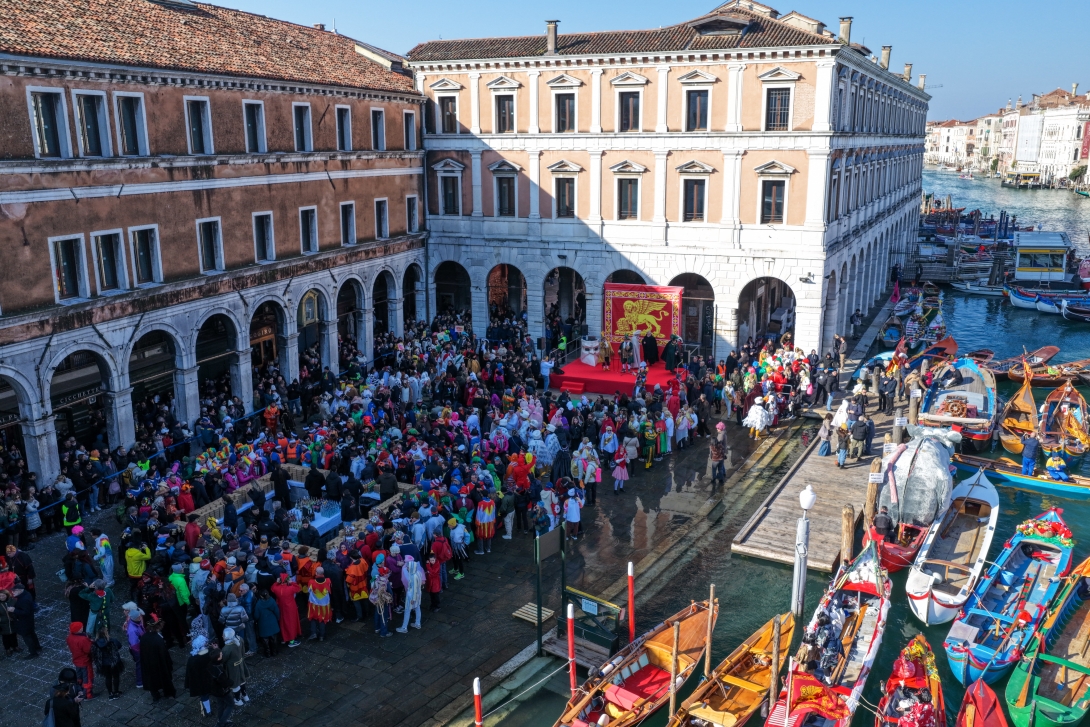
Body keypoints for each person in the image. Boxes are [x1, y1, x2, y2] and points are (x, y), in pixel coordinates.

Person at [139, 616, 176, 701]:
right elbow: (164, 654)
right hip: (159, 664)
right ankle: (168, 693)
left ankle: (155, 695)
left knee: (151, 680)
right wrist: (168, 664)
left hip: (148, 663)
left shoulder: (144, 637)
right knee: (164, 678)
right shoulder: (158, 639)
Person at [91, 627, 125, 700]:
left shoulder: (95, 643)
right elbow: (119, 646)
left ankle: (110, 693)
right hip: (114, 662)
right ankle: (116, 692)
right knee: (116, 676)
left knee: (108, 677)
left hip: (104, 664)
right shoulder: (112, 641)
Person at [11, 582, 41, 658]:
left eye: (14, 591)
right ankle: (37, 647)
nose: (12, 592)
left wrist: (14, 610)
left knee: (27, 637)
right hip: (29, 620)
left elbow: (25, 612)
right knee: (32, 633)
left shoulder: (23, 600)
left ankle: (33, 653)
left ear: (20, 590)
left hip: (24, 622)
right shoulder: (26, 594)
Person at [221, 627, 249, 706]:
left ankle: (237, 699)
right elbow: (243, 652)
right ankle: (245, 695)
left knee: (235, 683)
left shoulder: (226, 648)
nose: (222, 636)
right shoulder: (240, 639)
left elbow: (223, 660)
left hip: (232, 668)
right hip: (240, 664)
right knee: (242, 680)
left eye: (223, 635)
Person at [66, 621, 94, 699]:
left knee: (79, 677)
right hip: (85, 661)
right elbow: (88, 650)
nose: (82, 628)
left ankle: (79, 690)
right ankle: (87, 695)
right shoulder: (82, 639)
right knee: (87, 678)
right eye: (81, 627)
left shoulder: (69, 637)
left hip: (76, 660)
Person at [397, 555, 423, 633]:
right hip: (418, 594)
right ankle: (417, 623)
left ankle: (404, 627)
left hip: (411, 596)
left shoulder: (412, 577)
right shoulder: (418, 573)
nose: (407, 568)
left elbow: (413, 589)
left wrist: (412, 599)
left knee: (407, 610)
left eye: (408, 567)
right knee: (417, 608)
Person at [307, 567, 332, 642]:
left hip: (314, 604)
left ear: (316, 573)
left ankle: (313, 633)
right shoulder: (328, 581)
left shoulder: (311, 582)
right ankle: (321, 636)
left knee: (313, 618)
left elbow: (309, 590)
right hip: (324, 605)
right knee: (323, 619)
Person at [253, 590, 281, 657]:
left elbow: (256, 616)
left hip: (263, 624)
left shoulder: (258, 604)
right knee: (274, 639)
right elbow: (277, 611)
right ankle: (274, 652)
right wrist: (277, 619)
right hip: (273, 622)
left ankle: (268, 654)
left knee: (265, 641)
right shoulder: (272, 601)